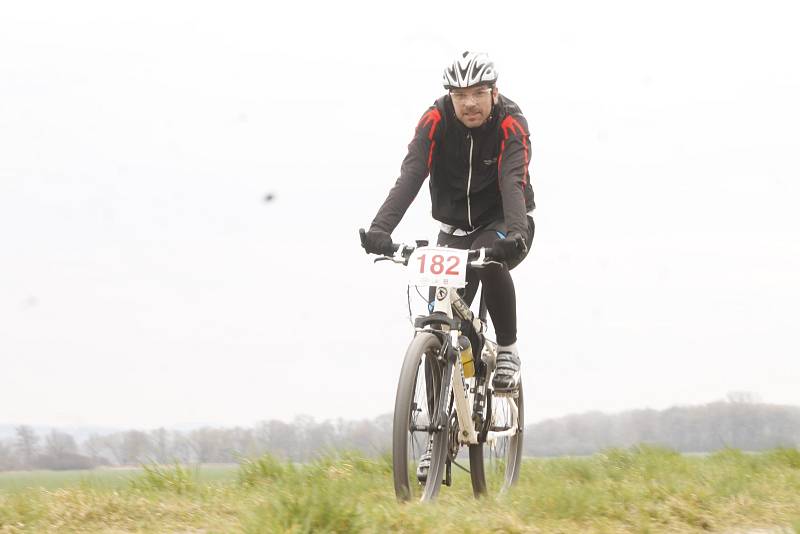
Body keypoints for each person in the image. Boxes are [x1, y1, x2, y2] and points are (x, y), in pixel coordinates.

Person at [361, 51, 535, 394]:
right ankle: (440, 431)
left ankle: (507, 351)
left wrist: (515, 233)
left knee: (489, 260)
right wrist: (381, 229)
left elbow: (512, 179)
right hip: (453, 229)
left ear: (494, 93)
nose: (469, 103)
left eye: (478, 93)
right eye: (460, 96)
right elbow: (411, 174)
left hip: (502, 221)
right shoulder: (435, 119)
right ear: (450, 97)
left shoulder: (510, 122)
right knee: (440, 323)